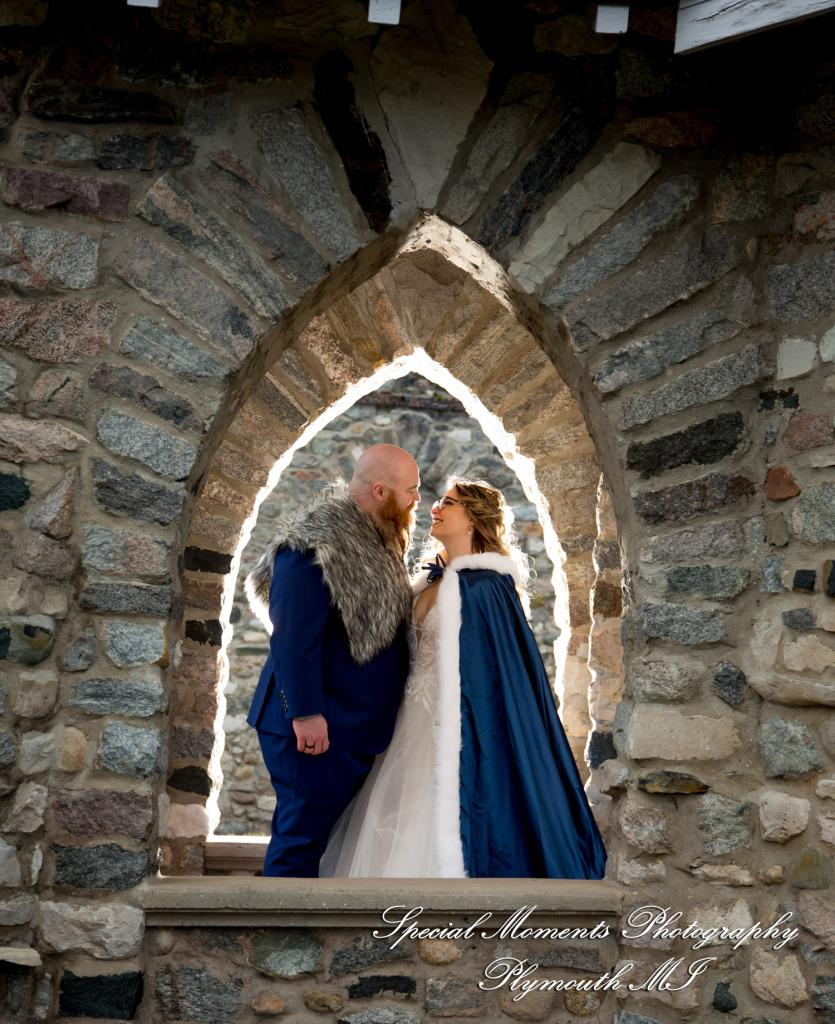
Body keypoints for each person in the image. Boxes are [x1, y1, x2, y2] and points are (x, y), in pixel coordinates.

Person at [321, 479, 607, 879]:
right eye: (438, 501)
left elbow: (502, 677)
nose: (435, 507)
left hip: (459, 727)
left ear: (472, 519)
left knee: (446, 824)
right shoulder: (426, 582)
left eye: (449, 502)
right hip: (407, 723)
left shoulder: (489, 587)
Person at [244, 444, 419, 877]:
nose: (417, 499)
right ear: (380, 490)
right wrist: (305, 714)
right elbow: (292, 639)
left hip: (348, 724)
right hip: (317, 726)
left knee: (320, 840)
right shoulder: (312, 544)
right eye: (411, 490)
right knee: (300, 840)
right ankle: (280, 937)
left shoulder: (372, 534)